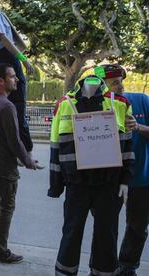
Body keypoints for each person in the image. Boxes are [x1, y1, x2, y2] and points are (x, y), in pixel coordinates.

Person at [48, 74, 134, 275]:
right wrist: (56, 184)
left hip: (109, 185)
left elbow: (128, 145)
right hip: (76, 184)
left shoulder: (120, 104)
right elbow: (55, 146)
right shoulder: (64, 104)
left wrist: (125, 180)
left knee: (107, 236)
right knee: (71, 234)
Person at [0, 63, 36, 264]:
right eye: (12, 76)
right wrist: (27, 161)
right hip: (1, 164)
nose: (17, 79)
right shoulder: (7, 106)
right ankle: (0, 251)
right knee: (6, 205)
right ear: (1, 81)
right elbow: (14, 141)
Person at [98, 64, 149, 276]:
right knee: (106, 226)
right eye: (113, 84)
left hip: (141, 177)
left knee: (138, 227)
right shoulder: (97, 107)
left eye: (120, 82)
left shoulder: (141, 100)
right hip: (110, 179)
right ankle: (104, 265)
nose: (119, 87)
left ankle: (127, 266)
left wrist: (138, 127)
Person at [0, 3, 40, 167]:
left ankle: (11, 150)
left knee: (3, 104)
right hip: (6, 57)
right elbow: (3, 37)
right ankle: (25, 152)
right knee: (18, 105)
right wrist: (23, 59)